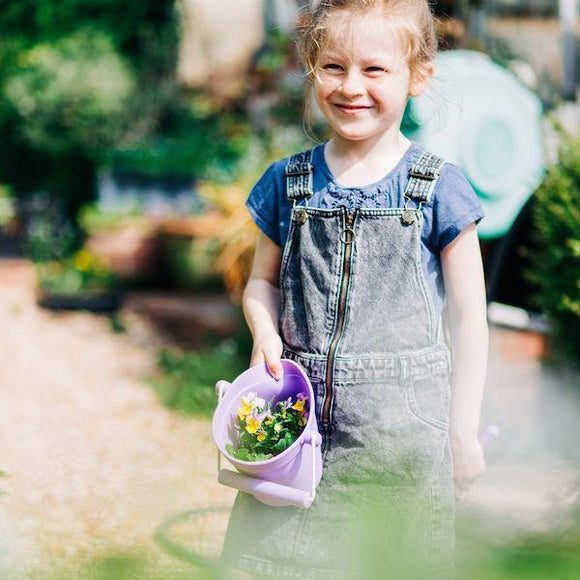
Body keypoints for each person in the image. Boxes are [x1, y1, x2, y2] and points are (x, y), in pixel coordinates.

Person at [219, 1, 488, 578]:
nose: (351, 87)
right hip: (297, 423)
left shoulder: (439, 189)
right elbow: (260, 282)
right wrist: (265, 333)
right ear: (312, 68)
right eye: (334, 67)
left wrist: (463, 427)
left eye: (375, 70)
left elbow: (469, 319)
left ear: (417, 77)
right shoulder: (286, 182)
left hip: (400, 440)